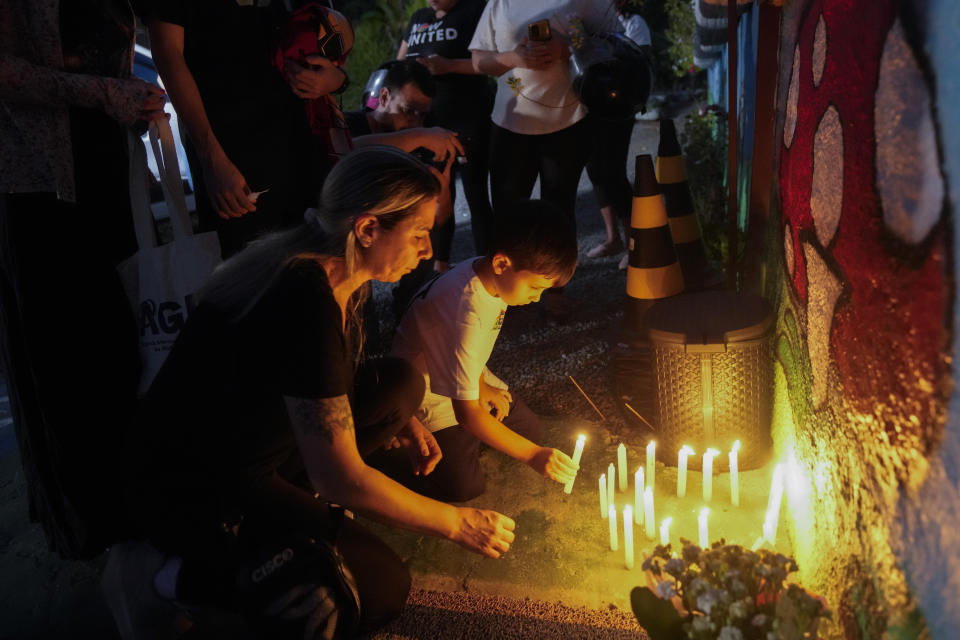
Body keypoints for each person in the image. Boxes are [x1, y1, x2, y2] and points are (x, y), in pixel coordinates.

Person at [103, 147, 516, 640]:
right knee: (378, 588)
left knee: (402, 385)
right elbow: (340, 476)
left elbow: (322, 375)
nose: (428, 250)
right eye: (420, 234)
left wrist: (402, 419)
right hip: (198, 484)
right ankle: (172, 578)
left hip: (252, 437)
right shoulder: (303, 300)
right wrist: (455, 522)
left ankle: (286, 512)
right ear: (367, 229)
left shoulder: (337, 272)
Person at [0, 0, 167, 559]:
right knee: (67, 358)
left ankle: (135, 504)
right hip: (36, 185)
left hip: (103, 167)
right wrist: (101, 94)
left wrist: (131, 115)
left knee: (121, 343)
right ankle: (99, 522)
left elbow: (111, 67)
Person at [375, 200, 580, 502]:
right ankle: (385, 449)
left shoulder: (486, 275)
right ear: (502, 263)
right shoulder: (466, 310)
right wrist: (533, 456)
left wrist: (483, 386)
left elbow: (470, 353)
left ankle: (462, 441)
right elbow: (466, 413)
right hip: (424, 393)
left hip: (463, 374)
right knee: (464, 488)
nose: (536, 299)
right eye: (535, 288)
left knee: (529, 430)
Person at [145, 1, 348, 257]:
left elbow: (331, 31)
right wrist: (211, 157)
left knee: (319, 262)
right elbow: (167, 53)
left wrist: (337, 78)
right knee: (246, 275)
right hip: (234, 156)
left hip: (306, 148)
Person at [469, 0, 617, 317]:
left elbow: (613, 44)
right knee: (507, 210)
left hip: (569, 118)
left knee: (560, 207)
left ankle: (555, 292)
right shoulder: (500, 3)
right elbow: (479, 60)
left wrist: (569, 47)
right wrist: (514, 57)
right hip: (510, 122)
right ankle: (501, 296)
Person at [398, 0, 496, 255]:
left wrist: (448, 66)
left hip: (467, 117)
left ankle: (487, 263)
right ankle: (439, 264)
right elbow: (399, 63)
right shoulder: (419, 17)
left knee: (476, 194)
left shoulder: (473, 10)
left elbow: (491, 62)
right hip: (426, 123)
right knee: (435, 194)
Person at [584, 3, 652, 267]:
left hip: (620, 105)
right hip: (591, 101)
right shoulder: (583, 22)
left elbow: (640, 61)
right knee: (594, 169)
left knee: (613, 170)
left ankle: (635, 242)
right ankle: (613, 239)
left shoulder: (632, 22)